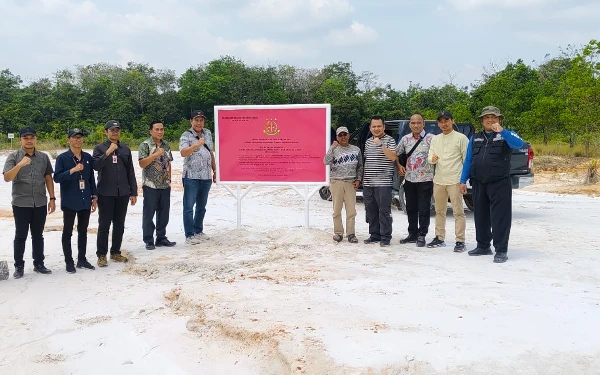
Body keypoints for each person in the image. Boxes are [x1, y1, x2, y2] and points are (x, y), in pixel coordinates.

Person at [460, 106, 524, 263]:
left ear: (499, 119)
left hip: (499, 182)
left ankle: (501, 250)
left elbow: (518, 144)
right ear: (482, 120)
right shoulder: (474, 138)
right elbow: (469, 160)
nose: (490, 120)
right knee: (480, 215)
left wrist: (502, 131)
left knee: (500, 217)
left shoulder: (506, 135)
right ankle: (483, 246)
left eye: (494, 117)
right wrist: (462, 180)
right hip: (479, 182)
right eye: (487, 117)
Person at [3, 127, 55, 278]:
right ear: (20, 140)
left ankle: (39, 264)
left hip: (40, 202)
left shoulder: (43, 157)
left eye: (32, 137)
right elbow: (7, 177)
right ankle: (19, 266)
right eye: (26, 138)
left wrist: (52, 198)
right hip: (21, 203)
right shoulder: (13, 156)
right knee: (20, 236)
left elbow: (48, 178)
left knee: (38, 235)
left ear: (36, 139)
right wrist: (19, 165)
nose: (29, 140)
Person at [92, 120, 137, 267]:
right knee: (104, 225)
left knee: (119, 224)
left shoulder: (125, 149)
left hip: (122, 192)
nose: (115, 132)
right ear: (106, 132)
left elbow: (130, 171)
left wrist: (133, 191)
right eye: (112, 130)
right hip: (105, 192)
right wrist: (108, 152)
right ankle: (101, 255)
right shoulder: (99, 148)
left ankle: (115, 252)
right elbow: (96, 166)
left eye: (117, 130)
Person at [53, 128, 97, 273]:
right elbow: (57, 178)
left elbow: (91, 179)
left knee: (83, 231)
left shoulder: (88, 157)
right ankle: (69, 262)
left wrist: (94, 197)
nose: (78, 140)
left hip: (85, 200)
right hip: (70, 200)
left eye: (80, 137)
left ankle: (82, 259)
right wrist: (72, 170)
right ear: (68, 140)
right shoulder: (62, 158)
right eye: (75, 137)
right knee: (67, 232)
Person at [427, 111, 468, 252]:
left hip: (455, 179)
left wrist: (464, 180)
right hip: (438, 180)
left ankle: (460, 241)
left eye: (446, 120)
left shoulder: (461, 138)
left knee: (458, 211)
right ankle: (439, 237)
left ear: (452, 121)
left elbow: (466, 160)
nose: (444, 124)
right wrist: (431, 159)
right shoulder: (435, 139)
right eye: (441, 121)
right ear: (438, 123)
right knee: (439, 211)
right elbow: (430, 154)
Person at [396, 113, 435, 247]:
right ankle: (412, 233)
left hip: (426, 179)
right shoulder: (405, 139)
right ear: (410, 125)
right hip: (409, 179)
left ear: (423, 124)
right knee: (411, 208)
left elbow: (439, 155)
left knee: (424, 208)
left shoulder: (431, 139)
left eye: (419, 123)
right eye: (413, 123)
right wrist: (399, 165)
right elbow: (395, 154)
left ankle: (422, 234)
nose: (416, 125)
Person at [179, 110, 216, 245]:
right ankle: (189, 235)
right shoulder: (186, 135)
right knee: (189, 206)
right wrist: (196, 145)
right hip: (191, 177)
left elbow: (210, 153)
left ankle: (198, 230)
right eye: (196, 120)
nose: (199, 122)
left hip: (206, 176)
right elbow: (183, 152)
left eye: (201, 120)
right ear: (191, 121)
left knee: (202, 206)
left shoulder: (208, 133)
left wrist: (215, 170)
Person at [139, 121, 176, 250]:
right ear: (151, 131)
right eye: (157, 129)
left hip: (165, 185)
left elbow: (169, 162)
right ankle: (149, 239)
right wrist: (154, 155)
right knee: (149, 213)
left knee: (164, 213)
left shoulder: (166, 145)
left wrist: (169, 179)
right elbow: (142, 163)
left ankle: (161, 237)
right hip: (150, 184)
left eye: (161, 129)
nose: (160, 132)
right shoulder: (145, 145)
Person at [323, 126, 363, 243]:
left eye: (345, 134)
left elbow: (360, 166)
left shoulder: (356, 149)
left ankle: (351, 234)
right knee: (336, 209)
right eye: (340, 135)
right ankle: (338, 233)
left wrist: (358, 179)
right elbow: (326, 161)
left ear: (349, 135)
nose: (343, 137)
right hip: (336, 182)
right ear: (337, 137)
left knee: (351, 210)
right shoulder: (334, 149)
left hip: (351, 182)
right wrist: (332, 147)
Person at [362, 116, 397, 247]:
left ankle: (386, 236)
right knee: (370, 210)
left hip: (384, 183)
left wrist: (380, 144)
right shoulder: (367, 142)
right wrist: (363, 180)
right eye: (373, 126)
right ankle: (374, 235)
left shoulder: (390, 140)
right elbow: (367, 161)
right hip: (368, 183)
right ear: (370, 128)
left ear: (384, 127)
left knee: (384, 211)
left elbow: (393, 157)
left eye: (379, 126)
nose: (376, 129)